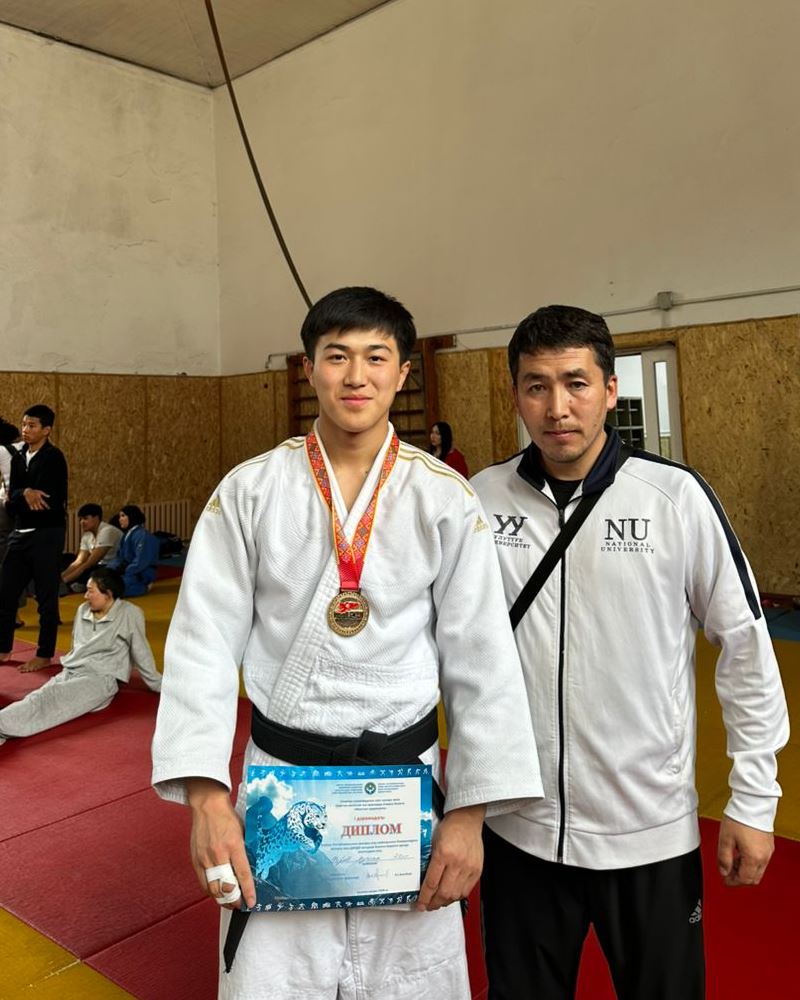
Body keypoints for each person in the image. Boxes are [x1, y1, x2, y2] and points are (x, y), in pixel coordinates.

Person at [151, 286, 542, 999]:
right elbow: (200, 647)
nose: (356, 376)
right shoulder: (249, 491)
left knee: (411, 982)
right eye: (337, 357)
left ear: (402, 373)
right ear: (309, 370)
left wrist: (468, 816)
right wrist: (207, 799)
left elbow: (482, 662)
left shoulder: (443, 497)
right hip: (280, 785)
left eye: (375, 357)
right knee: (273, 982)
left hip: (405, 788)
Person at [471, 304, 790, 1000]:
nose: (558, 408)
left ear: (611, 390)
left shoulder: (674, 498)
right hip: (518, 831)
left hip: (648, 832)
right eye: (536, 386)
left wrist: (753, 799)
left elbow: (745, 647)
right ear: (516, 394)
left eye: (576, 383)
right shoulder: (479, 500)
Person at [0, 567, 160, 745]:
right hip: (71, 671)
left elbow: (141, 651)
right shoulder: (83, 609)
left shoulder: (129, 613)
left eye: (91, 591)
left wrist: (158, 684)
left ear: (108, 594)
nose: (85, 596)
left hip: (99, 679)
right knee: (38, 697)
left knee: (49, 701)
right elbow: (76, 646)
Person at [0, 405, 68, 673]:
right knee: (5, 594)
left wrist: (23, 497)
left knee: (46, 596)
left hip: (47, 534)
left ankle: (44, 653)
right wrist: (25, 493)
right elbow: (12, 501)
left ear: (46, 430)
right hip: (20, 533)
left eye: (32, 426)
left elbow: (46, 501)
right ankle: (3, 648)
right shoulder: (18, 458)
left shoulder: (53, 458)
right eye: (24, 425)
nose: (26, 430)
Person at [61, 503, 123, 592]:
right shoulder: (87, 535)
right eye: (80, 519)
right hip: (97, 565)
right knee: (66, 560)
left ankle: (76, 585)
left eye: (85, 518)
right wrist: (60, 577)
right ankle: (76, 584)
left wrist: (64, 580)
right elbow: (79, 561)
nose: (81, 522)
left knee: (92, 572)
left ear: (96, 518)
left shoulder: (107, 531)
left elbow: (90, 563)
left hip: (113, 567)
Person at [107, 504, 159, 597]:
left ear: (132, 517)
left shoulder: (144, 536)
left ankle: (144, 587)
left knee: (116, 588)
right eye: (120, 516)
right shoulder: (127, 535)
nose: (120, 519)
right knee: (102, 582)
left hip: (141, 572)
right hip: (127, 569)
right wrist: (111, 569)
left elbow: (141, 561)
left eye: (123, 516)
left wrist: (125, 571)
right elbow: (119, 556)